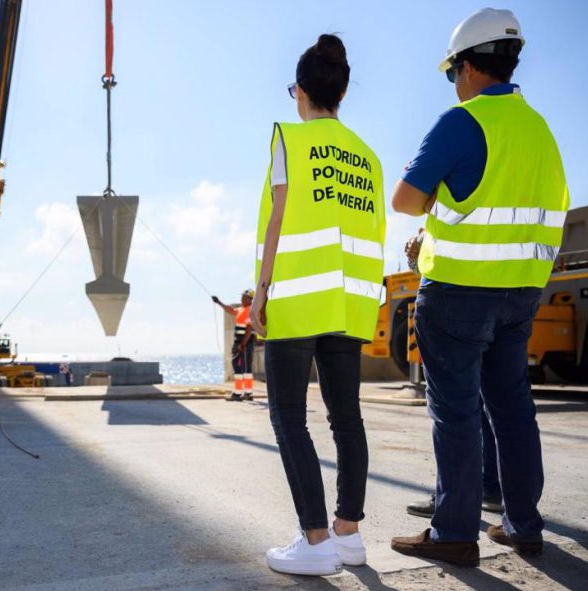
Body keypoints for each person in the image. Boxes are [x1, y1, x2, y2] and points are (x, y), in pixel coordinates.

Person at [390, 9, 568, 566]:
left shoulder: (461, 122)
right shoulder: (540, 130)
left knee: (457, 412)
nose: (454, 85)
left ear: (467, 68)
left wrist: (439, 199)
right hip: (521, 294)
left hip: (459, 295)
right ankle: (523, 524)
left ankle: (454, 533)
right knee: (513, 407)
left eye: (452, 74)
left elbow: (406, 200)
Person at [252, 34, 385, 576]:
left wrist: (260, 290)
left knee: (289, 417)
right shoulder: (368, 157)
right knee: (346, 418)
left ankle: (314, 541)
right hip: (349, 302)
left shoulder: (291, 138)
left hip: (298, 298)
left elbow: (280, 215)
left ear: (301, 92)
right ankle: (347, 534)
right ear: (343, 92)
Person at [402, 230, 502, 518]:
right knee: (495, 405)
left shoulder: (450, 195)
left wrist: (418, 248)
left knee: (455, 408)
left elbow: (438, 260)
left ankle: (453, 505)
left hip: (454, 299)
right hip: (504, 295)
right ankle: (493, 491)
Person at [211, 290, 256, 401]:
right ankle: (248, 393)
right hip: (240, 342)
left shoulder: (250, 310)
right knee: (245, 367)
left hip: (244, 342)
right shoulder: (241, 309)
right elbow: (230, 310)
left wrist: (242, 345)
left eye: (244, 297)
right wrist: (219, 303)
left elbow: (249, 329)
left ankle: (238, 393)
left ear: (250, 299)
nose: (241, 299)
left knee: (238, 366)